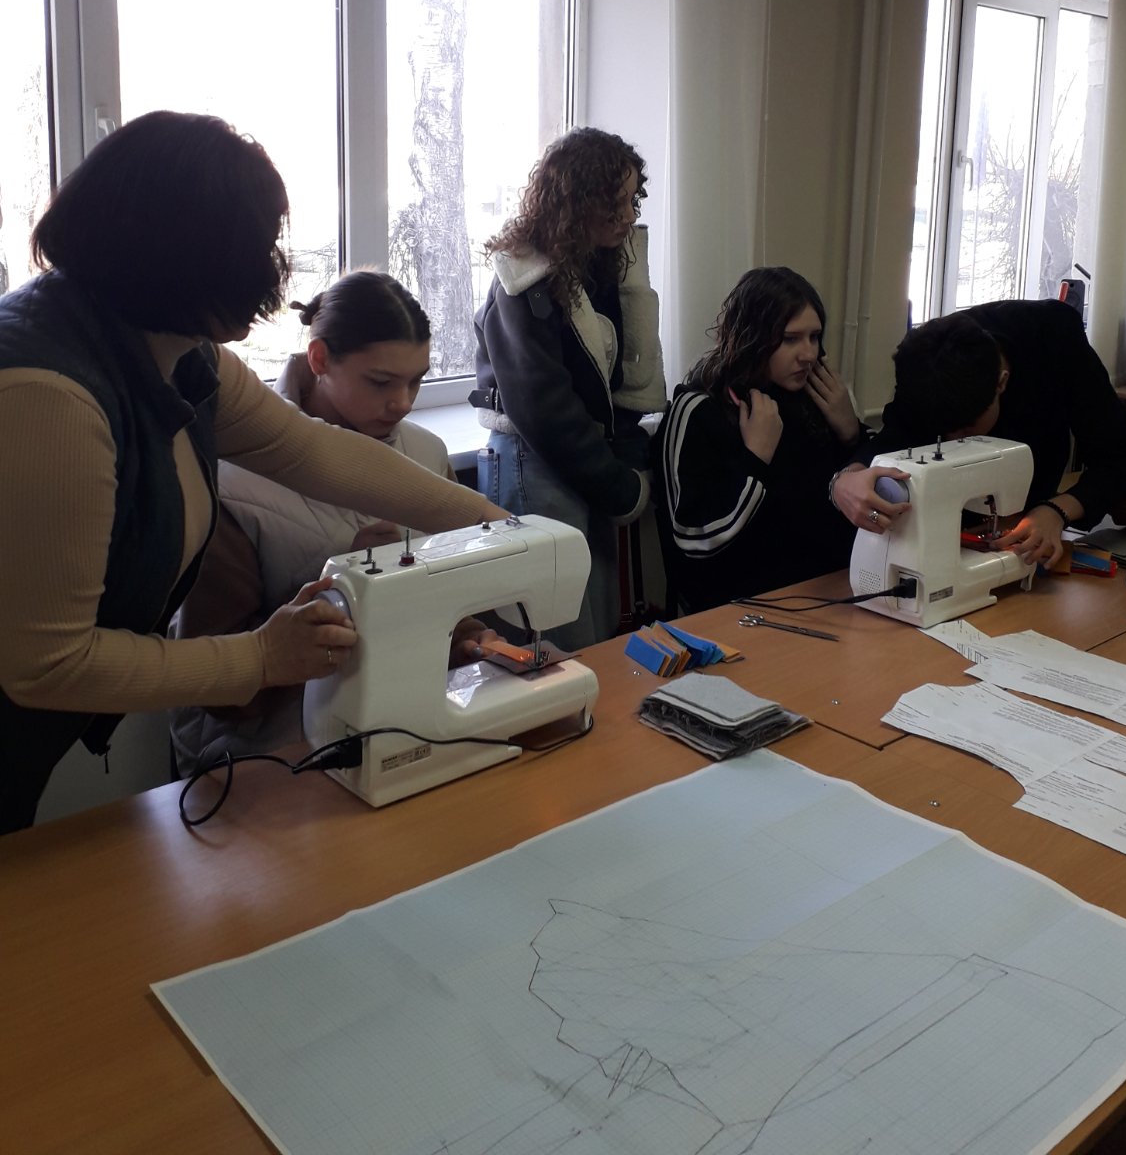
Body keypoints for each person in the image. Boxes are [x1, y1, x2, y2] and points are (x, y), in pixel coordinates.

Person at [0, 112, 504, 832]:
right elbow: (48, 663)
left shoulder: (176, 353)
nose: (274, 273)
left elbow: (314, 452)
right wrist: (263, 656)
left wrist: (497, 525)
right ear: (182, 253)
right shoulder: (49, 397)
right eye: (260, 247)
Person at [170, 271, 501, 774]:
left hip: (400, 731)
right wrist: (344, 583)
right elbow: (217, 689)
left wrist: (471, 637)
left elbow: (445, 595)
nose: (403, 402)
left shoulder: (427, 455)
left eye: (416, 380)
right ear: (319, 359)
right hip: (270, 758)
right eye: (381, 382)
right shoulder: (232, 484)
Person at [472, 127, 666, 650]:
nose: (626, 216)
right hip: (532, 460)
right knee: (554, 636)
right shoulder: (523, 280)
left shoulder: (589, 270)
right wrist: (620, 487)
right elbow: (544, 409)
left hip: (573, 463)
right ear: (577, 200)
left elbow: (611, 382)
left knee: (589, 627)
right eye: (613, 202)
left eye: (631, 201)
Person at [831, 299, 1126, 568]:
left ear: (1001, 383)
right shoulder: (925, 363)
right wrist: (847, 479)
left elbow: (1121, 461)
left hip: (1035, 527)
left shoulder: (1055, 339)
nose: (955, 442)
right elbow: (894, 438)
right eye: (945, 434)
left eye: (967, 429)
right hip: (961, 537)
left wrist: (1056, 511)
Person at [656, 268, 865, 613]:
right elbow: (694, 539)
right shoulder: (698, 409)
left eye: (814, 337)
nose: (808, 354)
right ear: (753, 337)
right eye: (790, 339)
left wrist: (851, 434)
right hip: (738, 611)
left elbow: (843, 506)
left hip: (827, 594)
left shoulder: (817, 398)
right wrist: (755, 460)